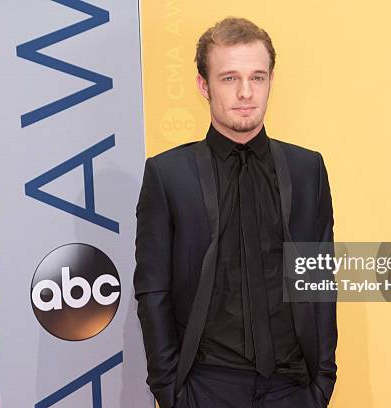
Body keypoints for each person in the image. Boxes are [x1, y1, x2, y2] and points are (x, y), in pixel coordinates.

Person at [134, 17, 337, 408]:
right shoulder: (168, 174)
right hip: (206, 386)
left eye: (257, 77)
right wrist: (170, 391)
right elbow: (153, 290)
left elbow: (320, 277)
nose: (246, 92)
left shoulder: (306, 168)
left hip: (293, 387)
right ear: (203, 85)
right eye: (229, 78)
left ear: (270, 81)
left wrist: (322, 380)